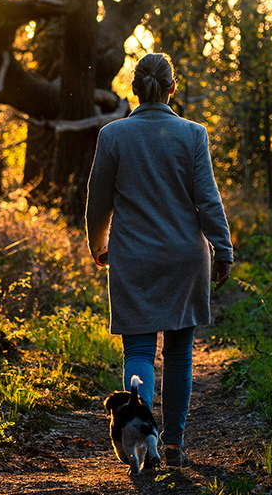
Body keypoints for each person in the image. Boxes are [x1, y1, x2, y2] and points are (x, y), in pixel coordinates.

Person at [85, 52, 233, 468]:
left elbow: (98, 200)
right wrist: (222, 248)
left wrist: (99, 244)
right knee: (180, 354)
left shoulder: (113, 136)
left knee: (139, 353)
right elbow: (207, 198)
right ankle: (171, 446)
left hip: (133, 257)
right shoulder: (193, 134)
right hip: (185, 258)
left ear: (134, 89)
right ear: (172, 88)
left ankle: (137, 426)